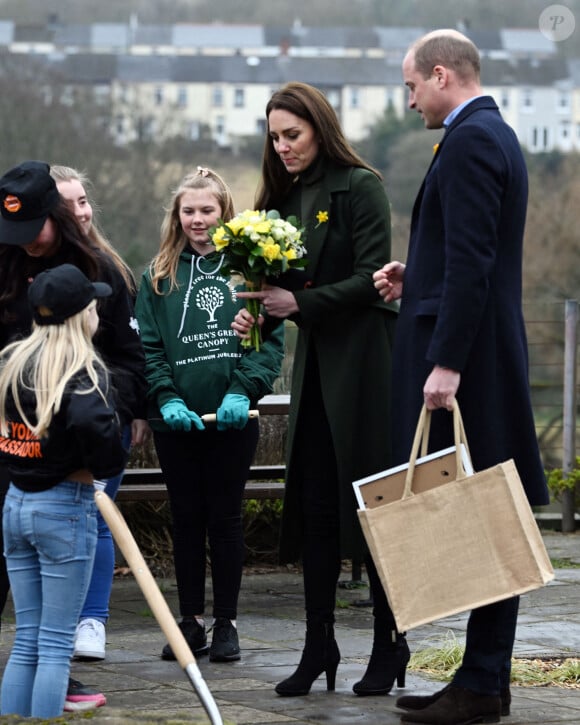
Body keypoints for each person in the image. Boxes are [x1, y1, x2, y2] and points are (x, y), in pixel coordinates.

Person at [373, 30, 550, 725]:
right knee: (485, 509)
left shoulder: (473, 139)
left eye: (411, 85)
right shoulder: (491, 132)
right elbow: (471, 255)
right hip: (479, 347)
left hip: (468, 362)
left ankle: (480, 683)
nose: (408, 98)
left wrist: (444, 361)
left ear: (441, 75)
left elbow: (477, 260)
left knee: (481, 513)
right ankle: (484, 681)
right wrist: (415, 276)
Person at [232, 81, 402, 697]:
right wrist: (262, 313)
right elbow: (280, 287)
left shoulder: (360, 186)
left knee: (375, 508)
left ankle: (392, 642)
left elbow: (371, 281)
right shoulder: (282, 197)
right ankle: (318, 646)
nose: (281, 147)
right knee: (315, 504)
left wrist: (294, 301)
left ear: (319, 128)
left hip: (364, 368)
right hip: (314, 373)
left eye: (292, 135)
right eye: (274, 137)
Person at [0, 159, 148, 707]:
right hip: (13, 450)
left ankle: (46, 688)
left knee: (46, 628)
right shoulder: (6, 259)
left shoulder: (99, 268)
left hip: (69, 459)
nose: (25, 244)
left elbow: (130, 363)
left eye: (33, 230)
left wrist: (105, 428)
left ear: (57, 217)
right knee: (41, 624)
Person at [135, 167, 284, 663]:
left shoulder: (251, 270)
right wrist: (165, 398)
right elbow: (149, 348)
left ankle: (227, 623)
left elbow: (270, 345)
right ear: (176, 217)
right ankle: (191, 621)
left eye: (207, 210)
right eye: (189, 211)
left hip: (232, 421)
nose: (198, 220)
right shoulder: (157, 275)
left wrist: (244, 390)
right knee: (186, 518)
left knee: (224, 519)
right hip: (177, 423)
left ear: (224, 213)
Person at [0, 264, 126, 719]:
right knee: (55, 644)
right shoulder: (83, 372)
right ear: (83, 316)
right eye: (94, 306)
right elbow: (99, 433)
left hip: (15, 505)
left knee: (27, 637)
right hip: (63, 510)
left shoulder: (12, 363)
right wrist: (107, 460)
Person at [49, 164, 149, 662]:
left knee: (95, 518)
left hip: (98, 417)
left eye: (84, 200)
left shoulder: (110, 270)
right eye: (69, 205)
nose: (81, 212)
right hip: (41, 425)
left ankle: (92, 621)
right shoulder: (23, 267)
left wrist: (125, 411)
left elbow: (131, 355)